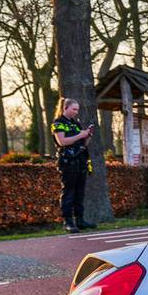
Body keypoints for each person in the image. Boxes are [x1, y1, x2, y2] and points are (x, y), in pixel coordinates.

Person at [51, 98, 96, 233]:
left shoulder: (76, 123)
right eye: (74, 109)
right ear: (65, 108)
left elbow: (82, 144)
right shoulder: (58, 123)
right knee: (68, 192)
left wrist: (87, 136)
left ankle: (80, 220)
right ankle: (68, 222)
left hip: (80, 160)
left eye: (77, 109)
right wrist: (80, 135)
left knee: (79, 192)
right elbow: (62, 141)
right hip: (67, 162)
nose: (76, 112)